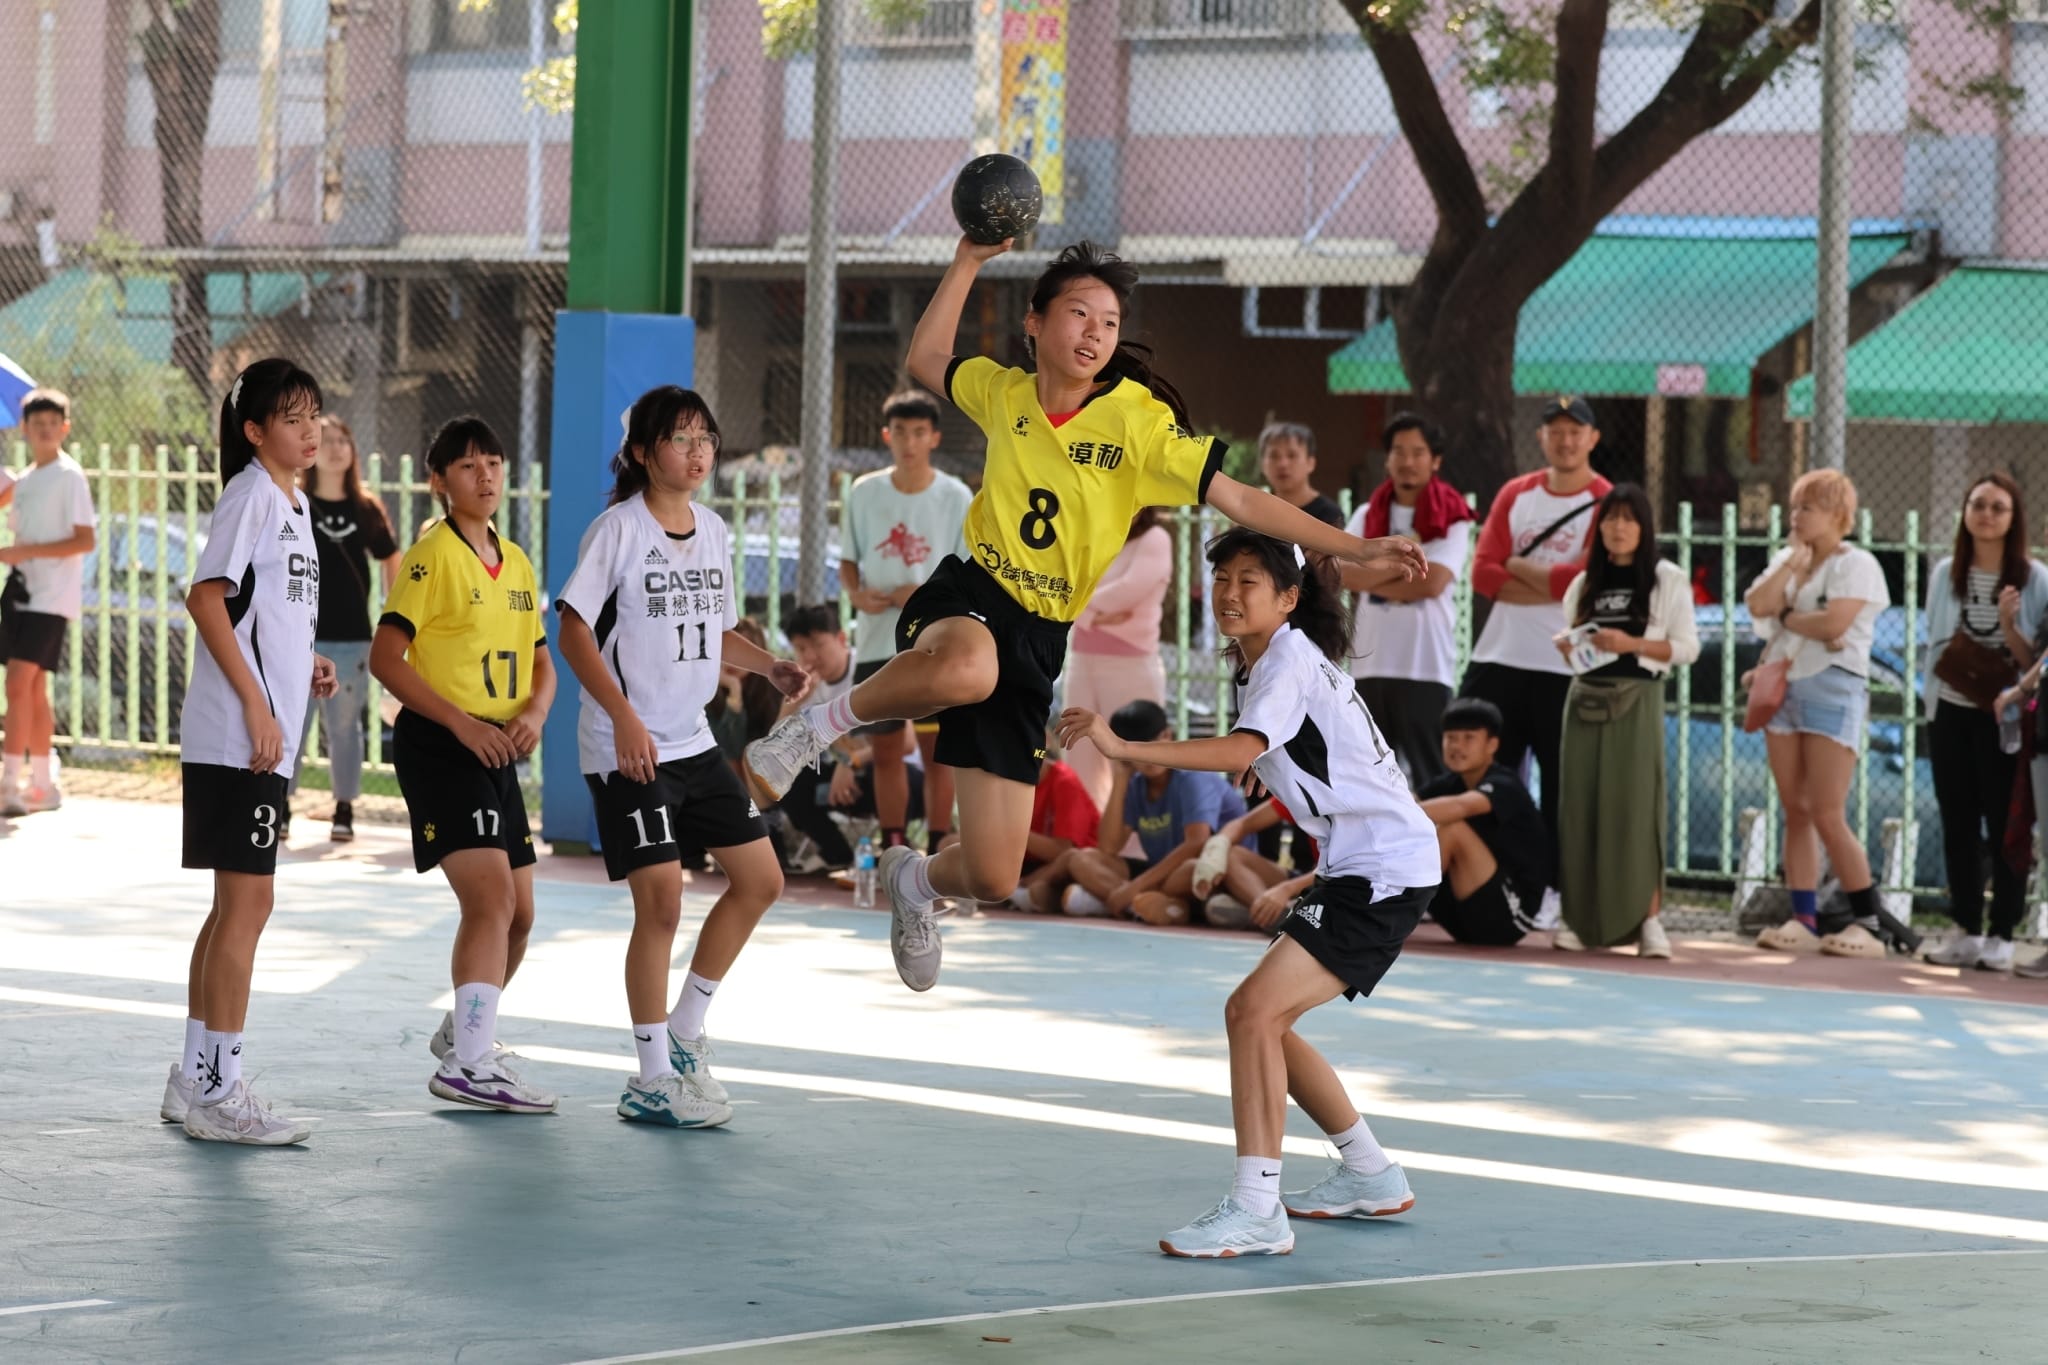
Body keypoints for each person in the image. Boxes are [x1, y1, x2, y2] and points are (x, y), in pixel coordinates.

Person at [741, 236, 1423, 994]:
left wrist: (1352, 548)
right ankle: (812, 729)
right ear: (1034, 323)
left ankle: (914, 882)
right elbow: (926, 357)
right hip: (971, 594)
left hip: (1040, 637)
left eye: (1108, 319)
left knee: (994, 871)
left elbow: (1243, 498)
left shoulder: (1136, 421)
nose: (1095, 331)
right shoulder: (1004, 393)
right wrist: (968, 259)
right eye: (1078, 313)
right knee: (967, 663)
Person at [1056, 528, 1439, 1259]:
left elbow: (1238, 749)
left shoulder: (1285, 661)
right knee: (1270, 1022)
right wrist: (1280, 762)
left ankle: (1259, 1206)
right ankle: (1371, 1170)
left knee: (1250, 1011)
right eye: (1223, 578)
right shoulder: (1269, 660)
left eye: (1249, 581)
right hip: (1365, 860)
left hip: (1381, 866)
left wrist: (1125, 746)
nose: (1230, 592)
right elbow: (1289, 745)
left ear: (1288, 599)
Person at [556, 385, 812, 1129]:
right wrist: (625, 718)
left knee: (760, 878)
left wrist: (769, 665)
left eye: (706, 435)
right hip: (626, 747)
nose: (698, 450)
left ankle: (686, 1030)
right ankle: (649, 1076)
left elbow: (714, 628)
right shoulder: (617, 531)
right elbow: (573, 630)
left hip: (693, 741)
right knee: (662, 902)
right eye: (680, 437)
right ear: (642, 453)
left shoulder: (714, 529)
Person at [163, 358, 336, 1144]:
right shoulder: (253, 495)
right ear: (254, 430)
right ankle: (218, 1092)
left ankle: (195, 1075)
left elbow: (264, 616)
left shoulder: (293, 504)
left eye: (315, 416)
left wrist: (306, 666)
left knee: (231, 907)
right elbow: (207, 597)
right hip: (241, 738)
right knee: (249, 906)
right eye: (292, 418)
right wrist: (262, 705)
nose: (310, 430)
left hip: (260, 735)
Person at [371, 416, 558, 1112]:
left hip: (497, 747)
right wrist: (461, 721)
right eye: (469, 466)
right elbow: (385, 657)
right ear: (439, 481)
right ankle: (471, 1065)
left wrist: (533, 714)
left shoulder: (515, 560)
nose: (485, 476)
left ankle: (465, 1033)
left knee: (521, 915)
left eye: (493, 463)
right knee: (491, 899)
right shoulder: (431, 557)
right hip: (443, 743)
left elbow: (542, 662)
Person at [1744, 470, 1891, 957]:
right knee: (1797, 809)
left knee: (1828, 810)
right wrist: (1792, 570)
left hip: (1832, 686)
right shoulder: (1792, 559)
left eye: (1808, 507)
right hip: (1786, 685)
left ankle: (1867, 923)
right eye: (1795, 507)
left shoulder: (1857, 564)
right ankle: (1803, 917)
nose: (1797, 516)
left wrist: (1790, 619)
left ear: (1836, 514)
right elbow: (1756, 604)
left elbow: (1835, 621)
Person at [1552, 485, 1698, 957]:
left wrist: (1630, 644)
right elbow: (1580, 653)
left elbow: (1686, 649)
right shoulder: (1583, 583)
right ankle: (1577, 917)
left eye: (1629, 519)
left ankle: (1648, 920)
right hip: (1585, 700)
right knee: (1581, 807)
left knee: (1637, 811)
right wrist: (1572, 647)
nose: (1618, 528)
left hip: (1638, 699)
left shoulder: (1666, 578)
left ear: (1645, 527)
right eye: (1610, 519)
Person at [1462, 396, 1612, 844]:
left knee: (1562, 784)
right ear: (1540, 437)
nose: (1566, 441)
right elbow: (1484, 573)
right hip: (1501, 656)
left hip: (1561, 663)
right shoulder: (1517, 493)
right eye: (1556, 431)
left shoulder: (1604, 499)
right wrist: (1555, 584)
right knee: (1488, 776)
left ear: (1593, 438)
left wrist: (1521, 568)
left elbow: (1589, 580)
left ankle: (1552, 883)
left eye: (1575, 431)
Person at [1920, 474, 2048, 972]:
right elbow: (1935, 644)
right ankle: (1967, 927)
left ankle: (2003, 932)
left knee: (2006, 824)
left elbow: (2032, 660)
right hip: (1951, 708)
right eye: (1978, 505)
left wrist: (2009, 623)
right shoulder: (1945, 573)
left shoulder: (2033, 579)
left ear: (2014, 518)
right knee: (1957, 819)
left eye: (1998, 507)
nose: (1986, 515)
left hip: (2005, 714)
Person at [840, 389, 971, 854]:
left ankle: (937, 847)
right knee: (887, 752)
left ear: (934, 437)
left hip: (934, 643)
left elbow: (968, 571)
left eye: (919, 432)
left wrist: (922, 596)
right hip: (878, 640)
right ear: (886, 436)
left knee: (940, 755)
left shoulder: (956, 496)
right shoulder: (863, 492)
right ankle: (893, 847)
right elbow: (849, 560)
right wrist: (856, 593)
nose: (909, 442)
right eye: (900, 432)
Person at [1344, 412, 1474, 786]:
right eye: (1398, 451)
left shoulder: (1453, 517)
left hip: (1425, 665)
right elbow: (1339, 572)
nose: (1407, 461)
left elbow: (1432, 584)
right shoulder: (1368, 514)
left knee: (1432, 775)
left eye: (1418, 452)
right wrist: (1405, 565)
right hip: (1370, 663)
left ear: (1435, 460)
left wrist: (1372, 570)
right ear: (1387, 460)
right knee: (1368, 773)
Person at [289, 414, 399, 843]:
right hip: (302, 636)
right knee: (293, 724)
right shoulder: (295, 503)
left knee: (344, 726)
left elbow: (390, 555)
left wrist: (394, 609)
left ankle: (344, 808)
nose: (335, 448)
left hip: (353, 639)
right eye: (326, 440)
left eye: (343, 441)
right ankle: (280, 803)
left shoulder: (365, 507)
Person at [1052, 699, 1249, 926]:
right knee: (1082, 859)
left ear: (1168, 735)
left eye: (1153, 741)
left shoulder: (1192, 777)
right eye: (1138, 746)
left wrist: (1134, 887)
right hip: (1161, 872)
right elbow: (1108, 847)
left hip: (1211, 870)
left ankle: (1127, 901)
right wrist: (1120, 779)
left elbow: (1197, 843)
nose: (1148, 757)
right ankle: (1152, 906)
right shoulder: (1136, 784)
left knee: (1185, 872)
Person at [0, 388, 96, 817]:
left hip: (51, 597)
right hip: (22, 593)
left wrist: (28, 551)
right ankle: (43, 783)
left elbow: (85, 539)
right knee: (33, 690)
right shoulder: (26, 479)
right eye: (36, 424)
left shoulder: (69, 476)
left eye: (51, 424)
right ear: (24, 429)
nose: (43, 431)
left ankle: (8, 783)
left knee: (17, 685)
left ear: (64, 428)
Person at [774, 604, 916, 871]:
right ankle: (838, 854)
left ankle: (896, 852)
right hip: (839, 781)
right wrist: (796, 700)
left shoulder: (866, 671)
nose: (811, 656)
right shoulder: (809, 683)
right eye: (801, 648)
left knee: (887, 771)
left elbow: (907, 743)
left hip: (891, 774)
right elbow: (775, 744)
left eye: (818, 644)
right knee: (789, 782)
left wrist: (850, 761)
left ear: (841, 639)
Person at [1063, 507, 1174, 810]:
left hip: (1131, 663)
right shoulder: (1092, 536)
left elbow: (1128, 590)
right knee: (1079, 753)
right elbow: (1063, 585)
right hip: (1081, 659)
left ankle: (1135, 850)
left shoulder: (1155, 537)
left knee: (1134, 757)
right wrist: (1096, 616)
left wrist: (1079, 610)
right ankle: (1083, 842)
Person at [1415, 698, 1550, 947]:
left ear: (1492, 744)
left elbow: (1461, 806)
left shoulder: (1505, 783)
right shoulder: (1447, 783)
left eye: (1469, 738)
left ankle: (1388, 912)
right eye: (1451, 738)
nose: (1458, 746)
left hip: (1510, 916)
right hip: (1461, 918)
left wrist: (1394, 814)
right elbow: (1409, 800)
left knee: (1451, 827)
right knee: (1414, 825)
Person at [997, 749, 1101, 910]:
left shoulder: (1064, 780)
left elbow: (1063, 851)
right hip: (1027, 864)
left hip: (1073, 865)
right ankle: (1015, 892)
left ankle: (1016, 891)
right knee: (953, 843)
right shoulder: (1005, 782)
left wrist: (1010, 831)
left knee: (1064, 866)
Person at [1257, 422, 1346, 528]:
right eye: (1274, 456)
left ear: (1310, 463)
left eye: (1292, 455)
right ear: (1263, 465)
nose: (1282, 464)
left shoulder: (1329, 514)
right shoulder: (1255, 513)